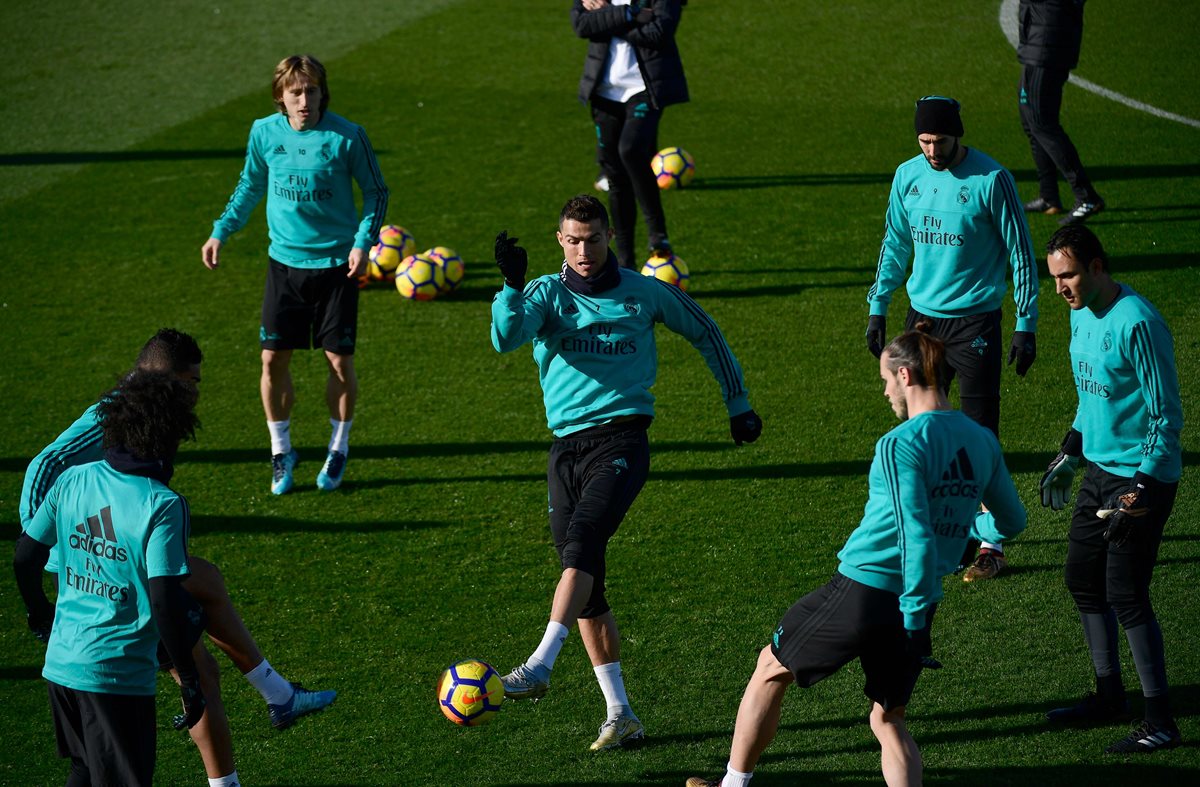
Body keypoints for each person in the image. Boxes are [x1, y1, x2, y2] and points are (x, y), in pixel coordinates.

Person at [685, 325, 1027, 787]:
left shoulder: (899, 444)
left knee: (769, 668)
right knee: (888, 719)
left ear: (905, 376)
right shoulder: (981, 439)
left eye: (886, 379)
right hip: (919, 600)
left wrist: (914, 616)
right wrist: (966, 539)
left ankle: (732, 784)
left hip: (866, 592)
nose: (885, 390)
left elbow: (914, 534)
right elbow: (1012, 521)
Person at [490, 194, 762, 751]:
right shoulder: (545, 294)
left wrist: (738, 403)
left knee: (582, 545)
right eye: (572, 240)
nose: (583, 250)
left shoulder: (642, 292)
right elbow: (506, 339)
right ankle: (621, 713)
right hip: (565, 450)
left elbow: (705, 331)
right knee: (586, 584)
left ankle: (540, 665)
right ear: (559, 241)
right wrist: (511, 290)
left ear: (609, 236)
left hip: (622, 440)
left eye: (592, 239)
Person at [19, 329, 336, 787]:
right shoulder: (117, 416)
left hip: (100, 565)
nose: (197, 393)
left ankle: (275, 697)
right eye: (192, 381)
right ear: (163, 378)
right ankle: (273, 700)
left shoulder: (144, 413)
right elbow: (46, 465)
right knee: (196, 658)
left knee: (204, 608)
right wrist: (51, 542)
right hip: (98, 573)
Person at [866, 95, 1038, 582]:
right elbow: (894, 244)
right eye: (923, 141)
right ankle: (931, 527)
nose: (932, 150)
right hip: (923, 320)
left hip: (977, 322)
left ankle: (990, 543)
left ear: (957, 134)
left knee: (980, 433)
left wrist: (1026, 324)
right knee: (919, 426)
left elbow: (1021, 255)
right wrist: (878, 309)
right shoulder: (908, 176)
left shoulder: (991, 180)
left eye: (939, 140)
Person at [201, 54, 389, 494]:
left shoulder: (347, 137)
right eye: (296, 92)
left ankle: (338, 446)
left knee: (339, 362)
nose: (305, 100)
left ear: (323, 92)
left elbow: (376, 192)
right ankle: (281, 451)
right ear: (280, 97)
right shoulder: (263, 133)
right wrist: (220, 232)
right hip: (284, 266)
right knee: (272, 359)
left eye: (312, 91)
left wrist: (362, 243)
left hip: (336, 267)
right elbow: (250, 185)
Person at [14, 371, 207, 786]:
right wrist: (189, 679)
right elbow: (163, 601)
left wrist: (39, 613)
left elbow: (25, 557)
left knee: (84, 771)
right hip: (116, 679)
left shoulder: (73, 479)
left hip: (62, 669)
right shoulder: (162, 505)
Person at [1040, 225, 1183, 753]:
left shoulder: (1138, 322)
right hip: (1098, 471)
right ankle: (1108, 695)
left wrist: (1141, 490)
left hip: (1141, 477)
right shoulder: (1079, 313)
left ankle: (1161, 720)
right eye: (1054, 277)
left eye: (1069, 274)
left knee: (1126, 593)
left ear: (1098, 267)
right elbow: (1090, 399)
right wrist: (1069, 453)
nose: (1060, 288)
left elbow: (1166, 416)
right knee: (1082, 579)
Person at [571, 0, 689, 269]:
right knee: (615, 176)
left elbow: (658, 33)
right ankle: (625, 262)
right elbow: (580, 25)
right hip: (604, 94)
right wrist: (630, 15)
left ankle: (658, 235)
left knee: (631, 150)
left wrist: (607, 19)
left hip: (644, 90)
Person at [1017, 0, 1105, 225]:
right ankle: (1049, 196)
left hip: (1049, 42)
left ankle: (1086, 196)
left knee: (1041, 122)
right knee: (1031, 121)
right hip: (1038, 38)